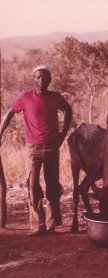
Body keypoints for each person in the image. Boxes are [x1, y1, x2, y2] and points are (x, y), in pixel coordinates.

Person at [0, 65, 72, 236]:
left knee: (52, 185)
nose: (42, 80)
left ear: (50, 79)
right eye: (39, 77)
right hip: (32, 148)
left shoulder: (56, 97)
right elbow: (10, 112)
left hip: (52, 147)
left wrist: (62, 134)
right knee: (32, 184)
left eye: (45, 77)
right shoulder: (24, 97)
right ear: (34, 79)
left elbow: (68, 110)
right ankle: (36, 226)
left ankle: (50, 225)